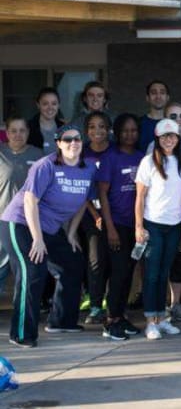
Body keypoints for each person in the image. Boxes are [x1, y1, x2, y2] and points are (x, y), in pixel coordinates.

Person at [0, 124, 97, 347]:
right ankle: (21, 333)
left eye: (77, 139)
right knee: (33, 272)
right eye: (68, 139)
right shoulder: (46, 165)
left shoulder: (88, 168)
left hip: (50, 229)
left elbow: (84, 200)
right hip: (20, 224)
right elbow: (29, 201)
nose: (73, 143)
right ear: (59, 144)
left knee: (72, 264)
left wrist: (71, 233)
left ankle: (61, 321)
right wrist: (37, 239)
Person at [134, 118, 181, 340]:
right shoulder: (148, 161)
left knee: (164, 273)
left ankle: (162, 318)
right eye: (164, 136)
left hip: (174, 225)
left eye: (172, 135)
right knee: (152, 274)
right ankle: (150, 321)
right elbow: (140, 197)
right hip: (153, 224)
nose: (169, 140)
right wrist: (138, 226)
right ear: (157, 138)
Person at [150, 101, 181, 323]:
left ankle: (175, 303)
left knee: (179, 258)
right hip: (159, 215)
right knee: (159, 262)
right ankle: (157, 309)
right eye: (173, 116)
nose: (178, 120)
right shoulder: (153, 150)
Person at [97, 113, 144, 341]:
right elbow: (103, 194)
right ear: (117, 132)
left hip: (135, 226)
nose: (130, 134)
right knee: (117, 273)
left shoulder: (141, 157)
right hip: (116, 225)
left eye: (134, 130)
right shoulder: (110, 157)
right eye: (125, 130)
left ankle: (121, 315)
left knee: (128, 272)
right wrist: (111, 228)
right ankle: (110, 320)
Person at [0, 118, 43, 294]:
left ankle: (24, 306)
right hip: (3, 219)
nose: (18, 134)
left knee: (25, 267)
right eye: (14, 130)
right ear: (7, 133)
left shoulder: (38, 155)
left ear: (28, 132)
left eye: (22, 130)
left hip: (29, 222)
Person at [79, 111, 113, 325]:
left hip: (114, 214)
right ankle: (94, 306)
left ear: (108, 129)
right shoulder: (81, 153)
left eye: (101, 126)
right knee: (95, 260)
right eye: (92, 126)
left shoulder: (116, 152)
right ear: (86, 131)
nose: (97, 131)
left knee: (114, 261)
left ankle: (113, 305)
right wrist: (95, 214)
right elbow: (80, 188)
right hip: (90, 214)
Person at [28, 87, 65, 155]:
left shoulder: (65, 128)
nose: (50, 107)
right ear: (38, 105)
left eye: (54, 104)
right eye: (45, 104)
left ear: (58, 105)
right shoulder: (28, 128)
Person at [138, 80, 170, 152]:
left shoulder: (174, 123)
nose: (158, 96)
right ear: (147, 98)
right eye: (153, 93)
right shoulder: (138, 123)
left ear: (167, 97)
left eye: (162, 93)